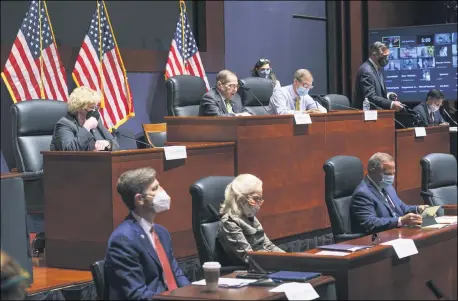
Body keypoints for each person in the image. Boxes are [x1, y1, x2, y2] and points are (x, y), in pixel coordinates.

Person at [105, 168, 190, 300]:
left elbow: (176, 275)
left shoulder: (162, 233)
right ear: (139, 199)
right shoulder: (123, 240)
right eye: (155, 188)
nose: (162, 191)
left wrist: (192, 295)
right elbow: (137, 295)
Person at [351, 153, 428, 234]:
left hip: (398, 232)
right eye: (387, 174)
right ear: (373, 171)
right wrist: (400, 220)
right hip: (380, 238)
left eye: (393, 173)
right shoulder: (362, 193)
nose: (391, 177)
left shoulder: (387, 186)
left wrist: (418, 209)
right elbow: (370, 223)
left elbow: (401, 207)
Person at [217, 174, 284, 265]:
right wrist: (277, 262)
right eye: (256, 199)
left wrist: (288, 259)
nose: (259, 204)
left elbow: (268, 245)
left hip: (266, 264)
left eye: (260, 199)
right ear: (240, 198)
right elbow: (249, 257)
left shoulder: (249, 217)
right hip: (252, 270)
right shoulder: (230, 222)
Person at [50, 86, 119, 151]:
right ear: (79, 108)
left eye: (96, 107)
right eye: (92, 107)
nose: (94, 111)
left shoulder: (95, 120)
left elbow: (116, 145)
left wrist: (108, 144)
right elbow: (69, 150)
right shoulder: (64, 124)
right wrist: (87, 127)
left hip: (95, 161)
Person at [352, 42, 404, 111]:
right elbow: (370, 97)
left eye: (387, 56)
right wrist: (391, 103)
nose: (386, 59)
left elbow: (376, 93)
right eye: (384, 57)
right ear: (374, 55)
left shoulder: (377, 68)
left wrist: (387, 96)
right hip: (365, 116)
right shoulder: (366, 71)